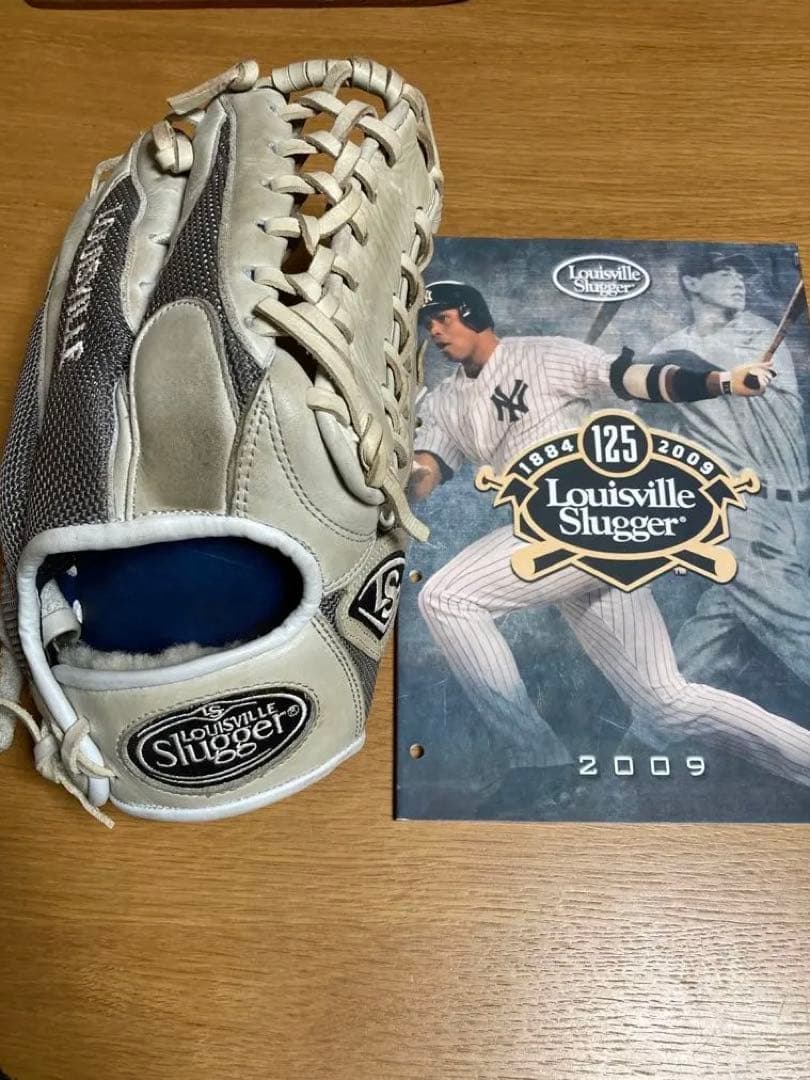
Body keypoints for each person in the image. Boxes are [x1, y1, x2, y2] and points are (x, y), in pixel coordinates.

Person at [410, 278, 810, 799]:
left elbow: (637, 379)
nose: (436, 332)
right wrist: (394, 444)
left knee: (447, 597)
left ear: (473, 314)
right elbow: (423, 479)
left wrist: (723, 382)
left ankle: (538, 759)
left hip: (593, 515)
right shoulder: (445, 401)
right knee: (664, 702)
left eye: (444, 318)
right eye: (428, 324)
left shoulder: (545, 354)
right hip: (566, 535)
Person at [646, 251, 810, 696]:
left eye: (741, 271)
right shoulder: (669, 354)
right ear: (691, 283)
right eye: (723, 271)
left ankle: (653, 721)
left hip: (800, 506)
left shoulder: (762, 334)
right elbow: (649, 412)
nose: (738, 279)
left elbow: (710, 362)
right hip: (743, 512)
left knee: (711, 641)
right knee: (801, 628)